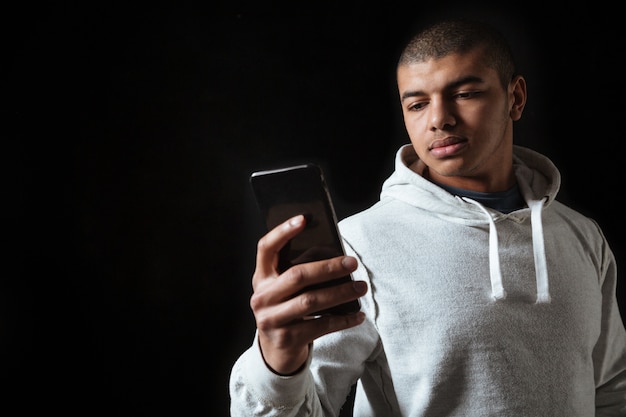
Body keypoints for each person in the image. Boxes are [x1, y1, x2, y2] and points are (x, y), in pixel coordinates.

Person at [229, 17, 626, 416]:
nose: (439, 119)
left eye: (466, 93)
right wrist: (274, 363)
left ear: (515, 98)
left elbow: (611, 390)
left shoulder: (581, 236)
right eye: (417, 104)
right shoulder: (360, 246)